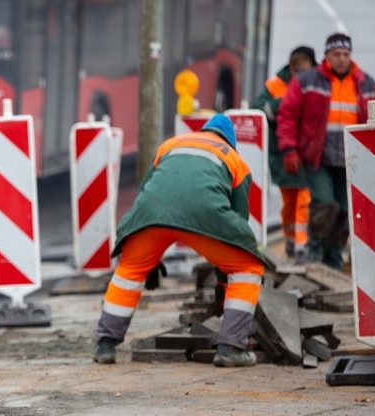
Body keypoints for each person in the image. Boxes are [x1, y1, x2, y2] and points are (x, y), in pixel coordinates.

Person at [94, 114, 264, 368]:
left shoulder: (171, 145)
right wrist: (223, 275)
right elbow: (237, 224)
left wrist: (147, 256)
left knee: (129, 271)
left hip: (149, 216)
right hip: (204, 216)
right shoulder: (234, 159)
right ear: (230, 140)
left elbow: (148, 191)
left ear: (205, 131)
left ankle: (105, 345)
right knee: (248, 268)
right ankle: (231, 348)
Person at [277, 33, 375, 269]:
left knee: (345, 212)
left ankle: (334, 259)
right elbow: (288, 115)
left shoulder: (365, 84)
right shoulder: (308, 81)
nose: (341, 59)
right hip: (318, 159)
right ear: (326, 55)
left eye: (346, 54)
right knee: (324, 205)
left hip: (351, 160)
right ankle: (315, 256)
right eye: (336, 54)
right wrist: (288, 149)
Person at [252, 46, 316, 260]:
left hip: (308, 153)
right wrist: (283, 104)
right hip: (283, 155)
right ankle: (291, 240)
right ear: (291, 68)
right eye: (297, 71)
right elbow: (259, 108)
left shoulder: (318, 82)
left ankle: (301, 243)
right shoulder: (276, 85)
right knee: (290, 201)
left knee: (304, 199)